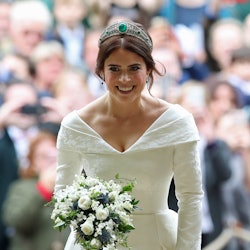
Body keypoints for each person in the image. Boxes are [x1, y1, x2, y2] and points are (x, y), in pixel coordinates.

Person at [54, 20, 203, 249]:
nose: (125, 79)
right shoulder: (76, 125)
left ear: (149, 69)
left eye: (134, 68)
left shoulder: (177, 122)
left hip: (158, 240)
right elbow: (63, 196)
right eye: (114, 69)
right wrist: (90, 225)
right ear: (101, 71)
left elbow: (191, 196)